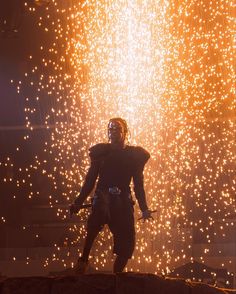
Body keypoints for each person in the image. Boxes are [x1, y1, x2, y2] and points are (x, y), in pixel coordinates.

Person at [70, 117, 153, 273]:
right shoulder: (101, 154)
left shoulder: (134, 156)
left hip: (123, 200)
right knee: (98, 213)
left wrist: (144, 208)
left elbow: (138, 185)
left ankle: (117, 276)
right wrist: (79, 201)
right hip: (103, 196)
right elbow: (90, 181)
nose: (112, 132)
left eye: (116, 129)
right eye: (110, 129)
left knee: (127, 246)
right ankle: (83, 260)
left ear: (125, 132)